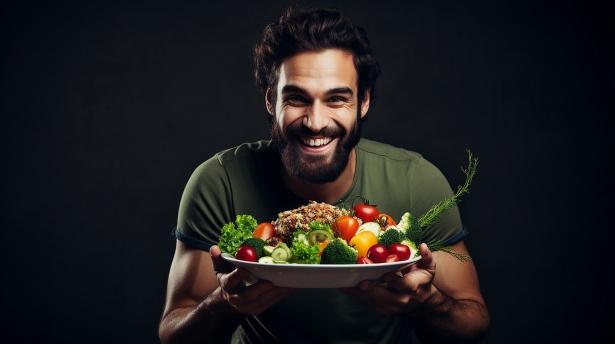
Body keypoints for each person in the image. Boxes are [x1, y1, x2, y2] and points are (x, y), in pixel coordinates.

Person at [159, 7, 489, 344]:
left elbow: (473, 323)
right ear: (271, 101)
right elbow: (173, 332)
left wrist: (425, 303)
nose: (316, 122)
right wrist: (222, 306)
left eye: (336, 99)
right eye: (297, 98)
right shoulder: (219, 182)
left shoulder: (416, 181)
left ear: (364, 102)